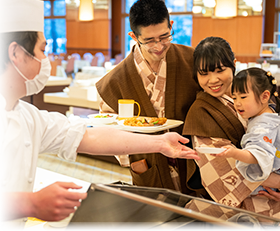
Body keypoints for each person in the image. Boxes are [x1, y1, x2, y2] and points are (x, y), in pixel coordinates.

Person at [0, 1, 199, 230]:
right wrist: (31, 203)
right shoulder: (117, 78)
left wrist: (160, 143)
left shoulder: (28, 116)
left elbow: (88, 137)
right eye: (43, 50)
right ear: (15, 53)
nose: (46, 61)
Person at [96, 0, 204, 196]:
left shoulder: (194, 60)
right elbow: (109, 128)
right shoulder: (114, 81)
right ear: (134, 36)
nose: (159, 46)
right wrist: (134, 157)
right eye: (149, 40)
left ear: (171, 26)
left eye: (164, 36)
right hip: (148, 166)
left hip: (194, 163)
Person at [183, 36, 280, 228]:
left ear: (233, 65)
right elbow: (228, 169)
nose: (213, 80)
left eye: (220, 70)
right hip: (253, 204)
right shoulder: (201, 112)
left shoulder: (251, 94)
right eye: (204, 73)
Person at [215, 67, 280, 195]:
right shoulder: (269, 112)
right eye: (234, 98)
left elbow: (257, 154)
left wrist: (235, 153)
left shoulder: (263, 125)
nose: (237, 103)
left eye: (243, 97)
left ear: (265, 96)